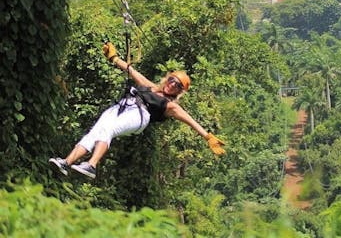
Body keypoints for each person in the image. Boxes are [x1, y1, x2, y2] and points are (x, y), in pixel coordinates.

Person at [49, 42, 225, 179]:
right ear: (167, 78)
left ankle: (92, 165)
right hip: (121, 107)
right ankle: (66, 162)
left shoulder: (170, 105)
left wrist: (207, 136)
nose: (172, 84)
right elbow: (133, 72)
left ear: (179, 91)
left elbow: (190, 120)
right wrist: (114, 58)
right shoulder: (152, 87)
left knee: (109, 130)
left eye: (177, 85)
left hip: (139, 115)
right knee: (94, 132)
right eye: (172, 80)